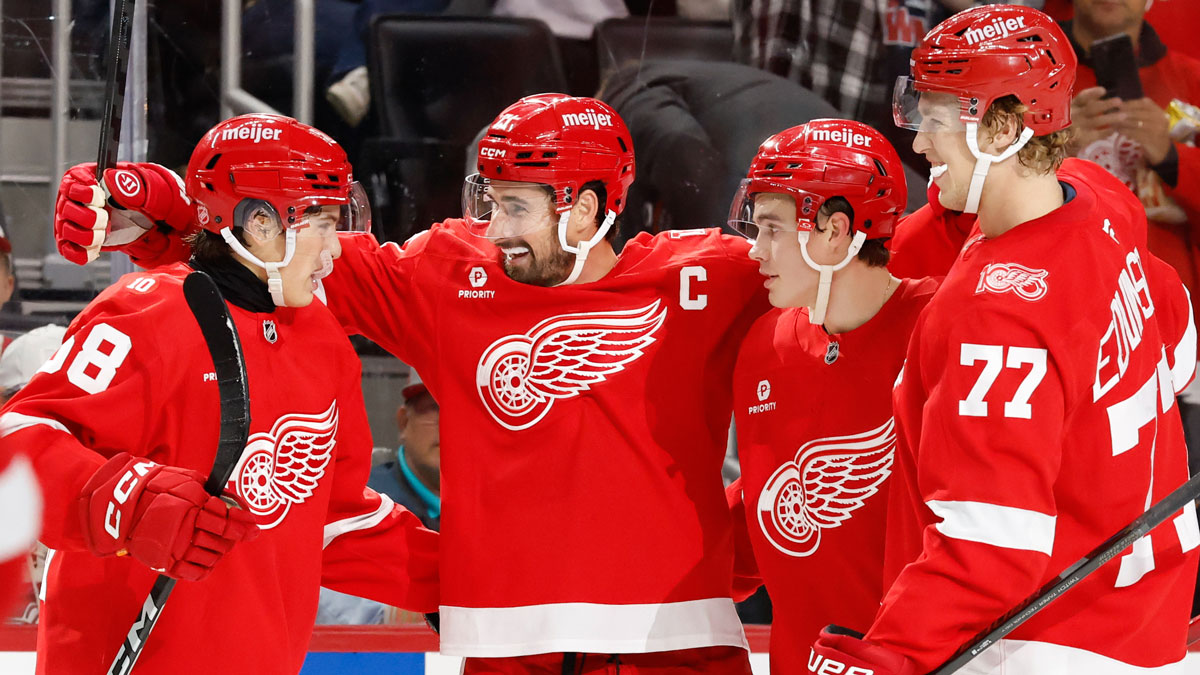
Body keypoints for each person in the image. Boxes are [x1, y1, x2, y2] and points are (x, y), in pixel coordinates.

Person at [56, 95, 769, 673]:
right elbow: (282, 245)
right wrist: (165, 209)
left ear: (584, 207)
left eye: (516, 207)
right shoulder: (453, 273)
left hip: (680, 642)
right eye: (487, 202)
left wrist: (753, 543)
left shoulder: (711, 276)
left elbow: (853, 275)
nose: (493, 229)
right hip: (504, 646)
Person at [808, 6, 1199, 674]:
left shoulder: (993, 315)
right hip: (1148, 632)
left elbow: (990, 546)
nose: (920, 142)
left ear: (1005, 127)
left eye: (934, 118)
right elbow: (1181, 347)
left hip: (1039, 649)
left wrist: (886, 655)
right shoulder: (1100, 199)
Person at [10, 113, 438, 674]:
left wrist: (456, 578)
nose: (337, 250)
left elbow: (330, 517)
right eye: (323, 223)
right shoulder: (144, 313)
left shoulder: (321, 340)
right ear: (260, 222)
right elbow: (18, 444)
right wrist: (124, 502)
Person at [724, 119, 939, 674]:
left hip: (924, 664)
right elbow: (767, 507)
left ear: (836, 231)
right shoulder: (762, 345)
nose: (755, 252)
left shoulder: (945, 328)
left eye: (772, 229)